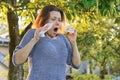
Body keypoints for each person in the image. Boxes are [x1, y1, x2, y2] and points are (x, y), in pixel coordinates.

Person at [12, 5, 80, 80]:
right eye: (53, 19)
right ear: (44, 21)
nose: (57, 23)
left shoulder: (63, 39)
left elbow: (76, 64)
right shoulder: (33, 33)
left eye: (59, 20)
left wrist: (73, 43)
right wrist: (35, 39)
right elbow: (17, 60)